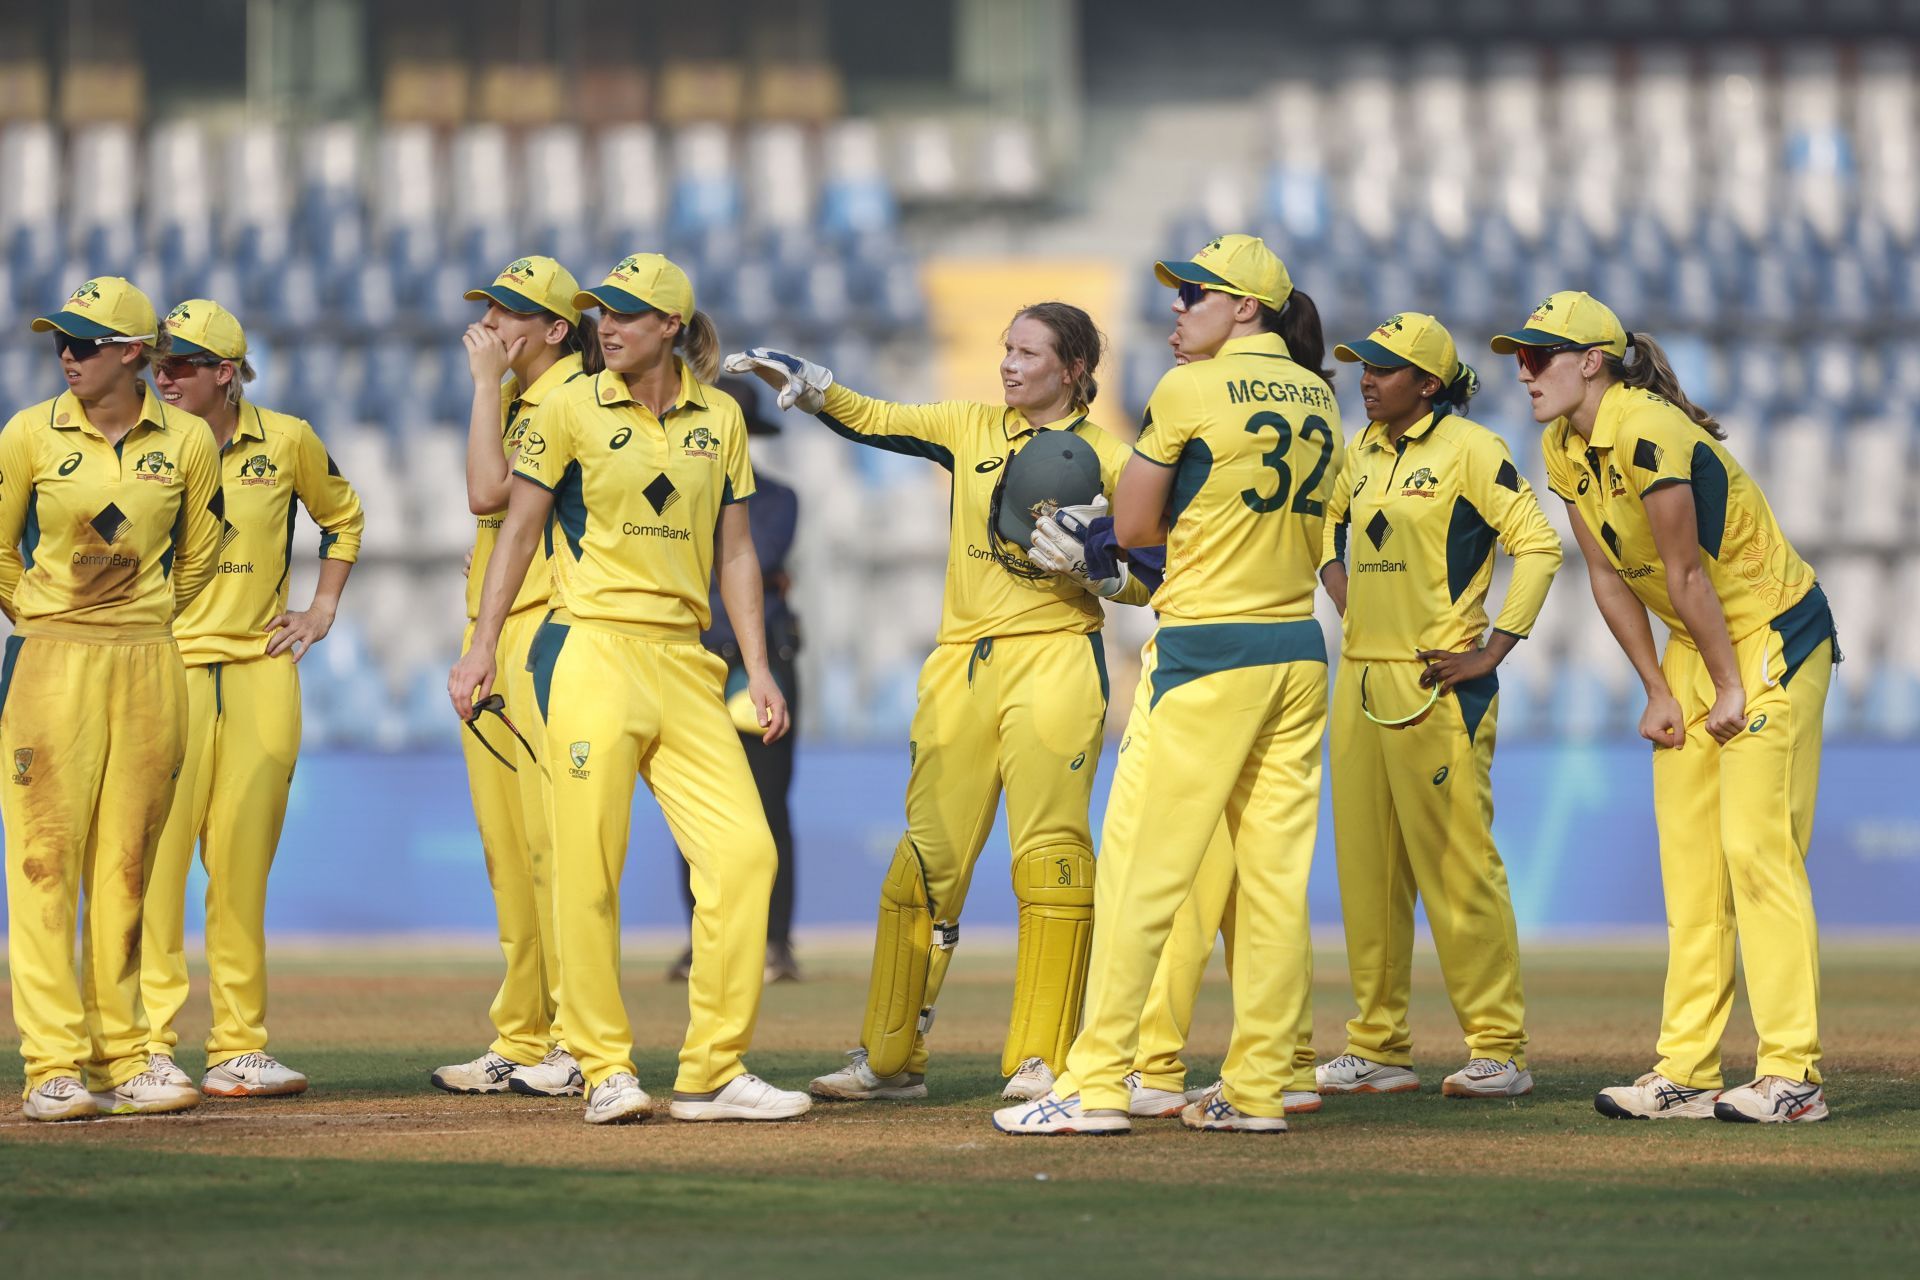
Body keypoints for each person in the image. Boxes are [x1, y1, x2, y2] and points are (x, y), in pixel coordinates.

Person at [727, 301, 1153, 1106]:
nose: (1008, 363)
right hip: (960, 664)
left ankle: (1041, 1057)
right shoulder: (968, 425)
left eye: (1027, 352)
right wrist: (817, 389)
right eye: (1005, 347)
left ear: (1072, 369)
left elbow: (1150, 571)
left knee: (1053, 856)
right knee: (924, 861)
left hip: (1058, 659)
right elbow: (879, 418)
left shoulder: (1113, 457)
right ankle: (889, 1061)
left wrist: (1098, 576)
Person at [448, 252, 808, 1126]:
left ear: (672, 328)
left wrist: (757, 667)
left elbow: (735, 554)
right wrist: (484, 645)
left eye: (627, 314)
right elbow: (516, 530)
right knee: (587, 865)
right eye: (600, 312)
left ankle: (713, 1071)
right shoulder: (568, 404)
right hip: (590, 650)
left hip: (688, 664)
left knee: (745, 856)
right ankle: (601, 1065)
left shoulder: (719, 417)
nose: (606, 326)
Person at [995, 234, 1341, 1135]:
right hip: (1298, 650)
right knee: (1272, 887)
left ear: (1247, 308)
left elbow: (1140, 522)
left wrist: (1095, 545)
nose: (1179, 308)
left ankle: (1099, 1082)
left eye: (1196, 294)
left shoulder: (1191, 388)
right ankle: (1259, 1090)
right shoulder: (1320, 396)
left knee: (1145, 874)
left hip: (1206, 651)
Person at [1494, 291, 1837, 1124]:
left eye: (1542, 354)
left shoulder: (1650, 432)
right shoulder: (1562, 446)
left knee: (1758, 852)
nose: (1525, 369)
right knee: (1692, 866)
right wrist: (1655, 688)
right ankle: (1685, 1069)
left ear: (1593, 362)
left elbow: (1684, 575)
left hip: (1769, 633)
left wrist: (1727, 688)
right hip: (1697, 644)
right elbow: (1609, 577)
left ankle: (1794, 1075)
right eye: (1521, 355)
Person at [1313, 311, 1561, 1100]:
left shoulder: (1471, 449)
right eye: (1364, 365)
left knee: (1458, 870)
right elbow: (1327, 533)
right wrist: (1350, 601)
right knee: (1368, 873)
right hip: (1357, 680)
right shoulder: (1361, 450)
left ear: (1428, 383)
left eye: (1384, 369)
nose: (1367, 378)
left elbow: (1539, 546)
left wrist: (1493, 649)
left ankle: (1499, 1049)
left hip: (1437, 688)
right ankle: (1379, 1046)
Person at [0, 276, 224, 1120]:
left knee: (129, 864)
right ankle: (52, 1065)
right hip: (50, 662)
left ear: (134, 353)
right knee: (44, 862)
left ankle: (127, 1058)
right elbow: (0, 553)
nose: (68, 356)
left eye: (86, 344)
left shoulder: (189, 441)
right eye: (61, 342)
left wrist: (141, 617)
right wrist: (50, 617)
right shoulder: (27, 434)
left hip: (147, 662)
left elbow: (199, 555)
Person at [138, 299, 365, 1099]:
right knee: (158, 867)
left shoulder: (290, 440)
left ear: (226, 372)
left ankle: (237, 1047)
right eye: (159, 362)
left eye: (184, 364)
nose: (163, 375)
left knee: (240, 868)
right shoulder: (140, 445)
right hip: (165, 667)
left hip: (263, 668)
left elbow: (344, 518)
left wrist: (322, 608)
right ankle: (148, 1049)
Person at [433, 256, 597, 1099]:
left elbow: (483, 492)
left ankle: (575, 1038)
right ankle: (524, 1035)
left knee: (553, 849)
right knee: (511, 854)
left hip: (541, 636)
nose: (491, 325)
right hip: (499, 631)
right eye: (489, 309)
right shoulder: (534, 399)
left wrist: (483, 385)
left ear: (556, 330)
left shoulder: (568, 399)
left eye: (509, 313)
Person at [668, 376, 803, 985]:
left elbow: (746, 558)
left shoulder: (776, 498)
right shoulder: (670, 491)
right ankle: (703, 939)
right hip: (692, 663)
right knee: (688, 808)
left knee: (768, 805)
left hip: (757, 663)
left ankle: (774, 944)